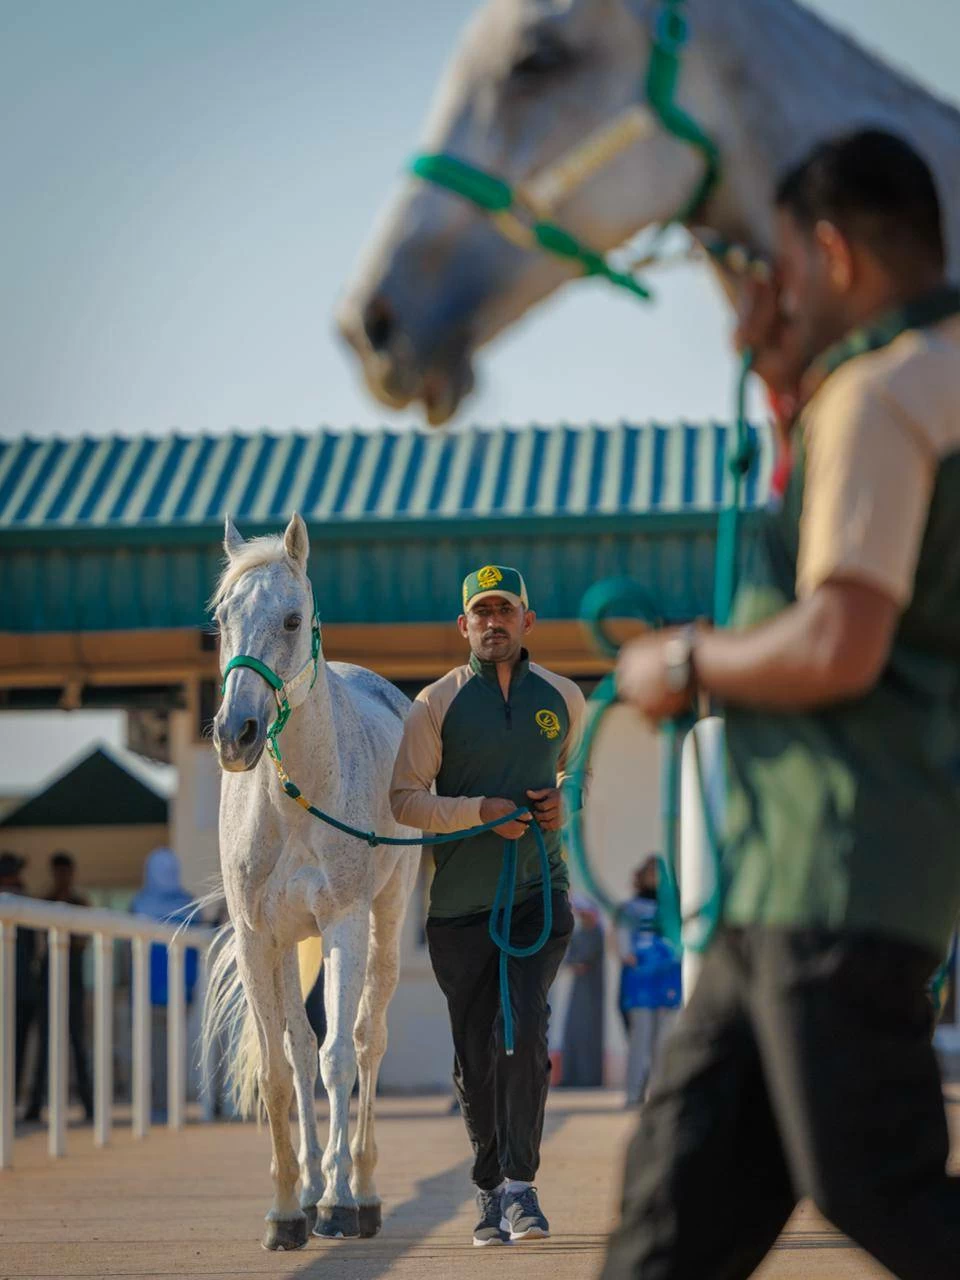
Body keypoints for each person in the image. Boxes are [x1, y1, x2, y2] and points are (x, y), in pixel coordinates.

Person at [604, 127, 960, 1280]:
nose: (771, 294)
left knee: (881, 1182)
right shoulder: (930, 375)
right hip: (813, 884)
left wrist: (685, 664)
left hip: (829, 874)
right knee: (670, 1226)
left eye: (783, 272)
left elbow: (840, 639)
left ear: (828, 251)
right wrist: (781, 379)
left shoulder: (875, 397)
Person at [390, 563, 584, 1246]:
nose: (493, 623)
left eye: (505, 611)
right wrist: (478, 812)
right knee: (476, 1053)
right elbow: (404, 800)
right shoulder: (431, 706)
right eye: (481, 612)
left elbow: (574, 774)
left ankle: (523, 1189)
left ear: (528, 621)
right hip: (460, 911)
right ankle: (488, 1190)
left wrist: (566, 802)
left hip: (538, 894)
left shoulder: (563, 697)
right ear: (464, 625)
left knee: (524, 1030)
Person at [129, 846, 200, 1121]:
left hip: (147, 993)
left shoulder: (139, 904)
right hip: (182, 991)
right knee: (174, 1052)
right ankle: (169, 1106)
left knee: (150, 1053)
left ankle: (158, 1107)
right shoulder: (189, 904)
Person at [25, 852, 94, 1123]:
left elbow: (83, 941)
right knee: (44, 1047)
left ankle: (90, 1104)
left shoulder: (79, 903)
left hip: (73, 983)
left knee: (79, 1044)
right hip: (48, 981)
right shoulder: (44, 902)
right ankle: (34, 1106)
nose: (62, 878)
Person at [617, 857, 681, 1106]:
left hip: (668, 979)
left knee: (666, 1042)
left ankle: (660, 1097)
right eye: (651, 873)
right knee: (639, 1041)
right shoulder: (629, 909)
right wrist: (629, 955)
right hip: (640, 982)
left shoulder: (673, 906)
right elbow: (623, 943)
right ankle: (633, 1095)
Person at [0, 852, 39, 1110]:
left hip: (22, 991)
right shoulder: (20, 902)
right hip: (16, 990)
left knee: (16, 1052)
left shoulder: (24, 902)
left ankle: (10, 1103)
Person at [559, 895, 605, 1088]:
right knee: (573, 1033)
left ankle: (588, 1078)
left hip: (591, 993)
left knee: (587, 1035)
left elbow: (582, 962)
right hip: (579, 991)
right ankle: (571, 1077)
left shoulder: (596, 934)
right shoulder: (579, 934)